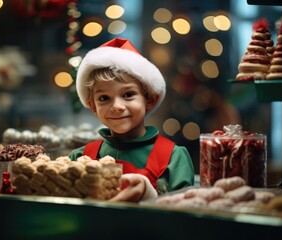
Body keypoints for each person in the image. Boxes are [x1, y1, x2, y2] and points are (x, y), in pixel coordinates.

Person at [68, 38, 195, 202]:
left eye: (128, 95)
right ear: (92, 106)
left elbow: (183, 214)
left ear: (150, 99)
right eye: (104, 98)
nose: (117, 106)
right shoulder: (78, 158)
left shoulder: (174, 157)